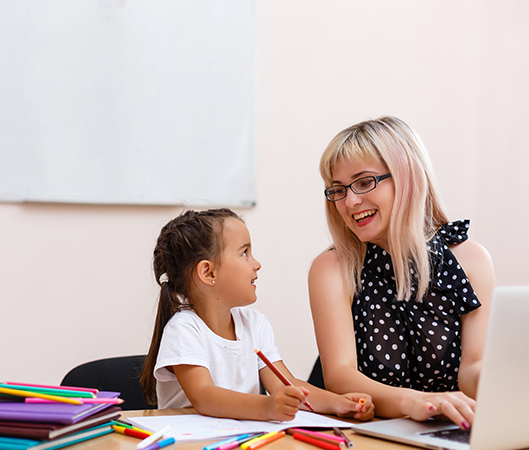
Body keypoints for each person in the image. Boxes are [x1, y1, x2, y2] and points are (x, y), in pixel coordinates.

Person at [308, 117, 496, 430]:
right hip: (366, 435)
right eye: (338, 189)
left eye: (365, 182)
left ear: (407, 176)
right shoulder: (331, 268)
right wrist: (415, 402)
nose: (350, 201)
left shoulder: (471, 259)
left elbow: (472, 368)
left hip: (446, 431)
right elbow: (341, 376)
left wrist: (508, 379)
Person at [140, 208, 374, 422]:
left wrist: (338, 403)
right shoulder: (183, 329)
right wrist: (267, 407)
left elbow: (287, 384)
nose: (257, 264)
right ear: (208, 272)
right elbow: (205, 397)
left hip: (238, 446)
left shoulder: (255, 324)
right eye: (244, 253)